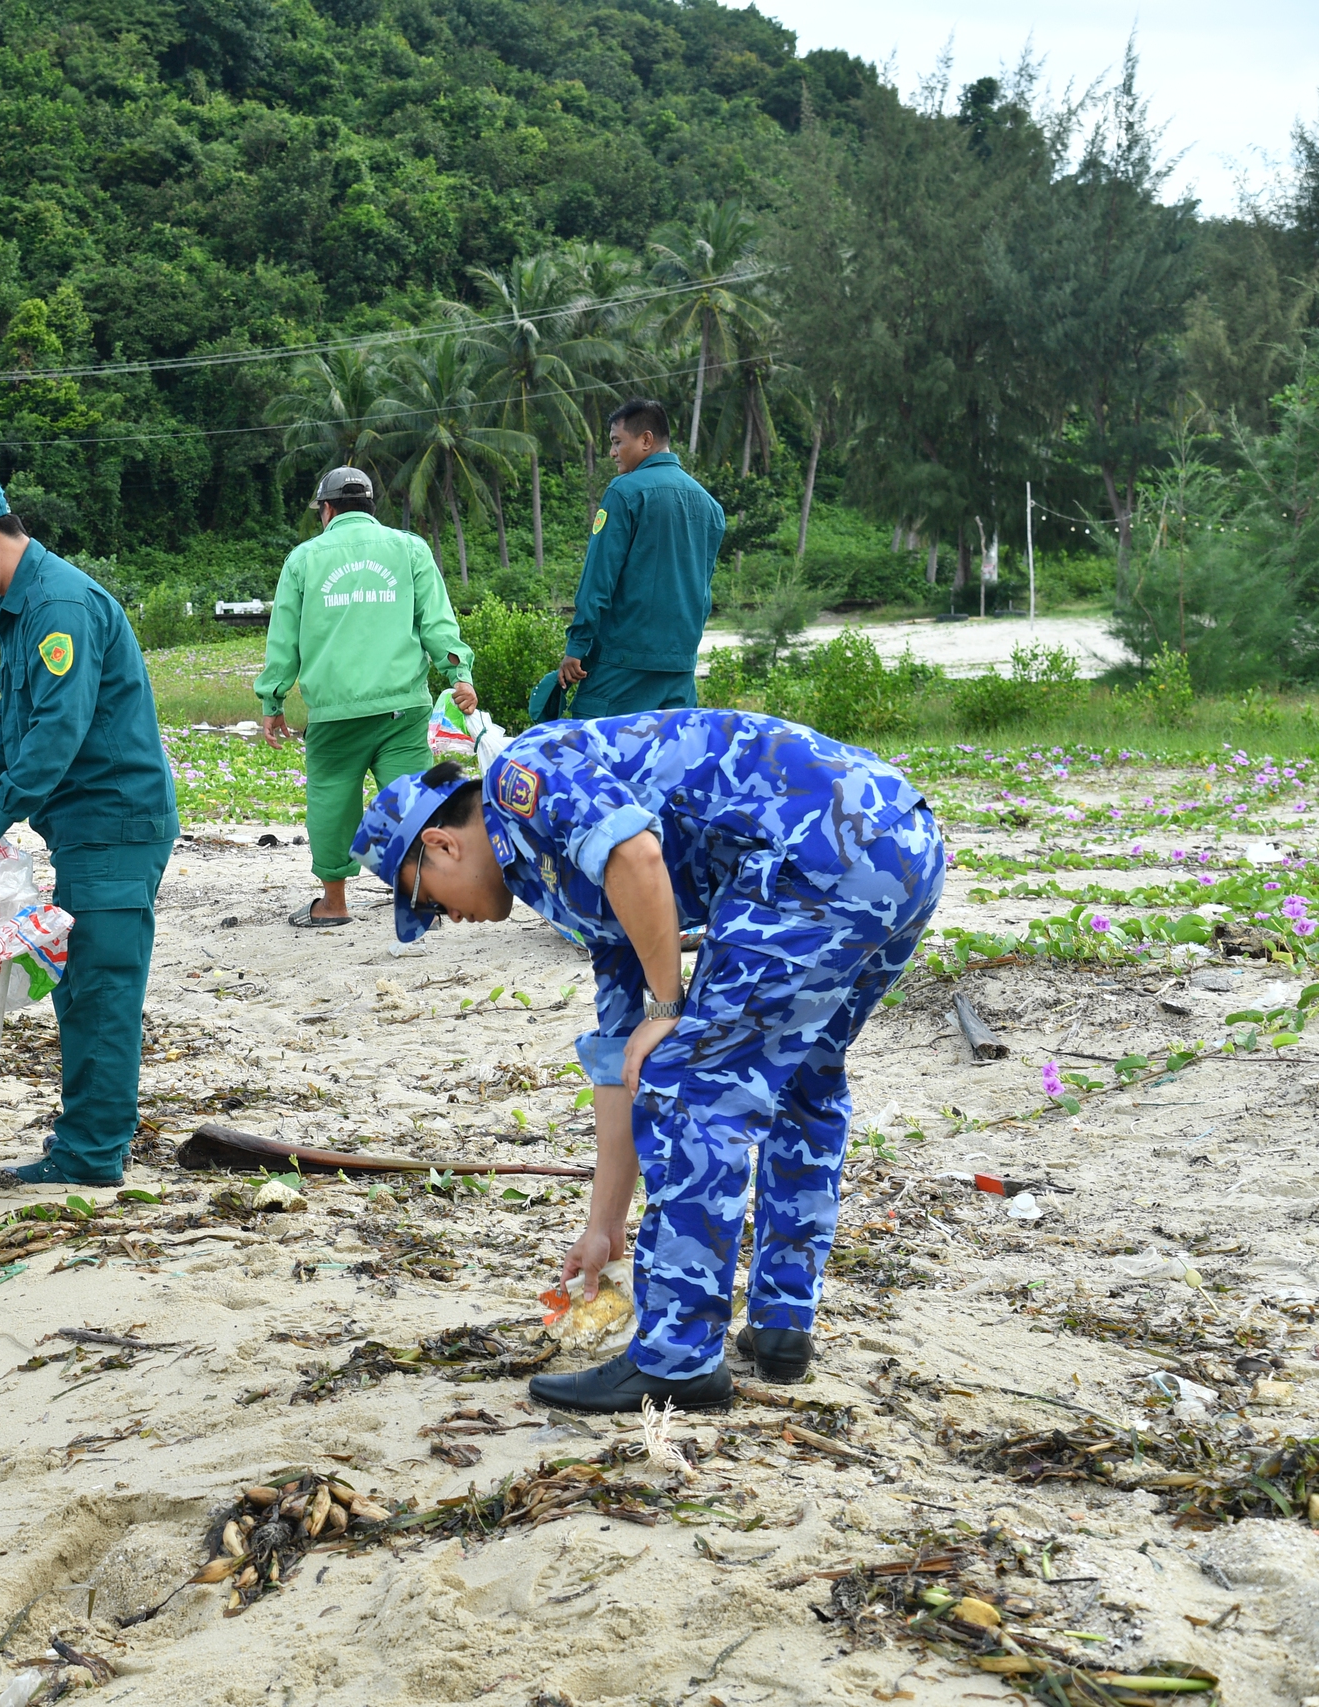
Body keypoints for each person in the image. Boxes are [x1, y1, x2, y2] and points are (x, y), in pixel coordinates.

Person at [348, 710, 943, 1412]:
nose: (445, 920)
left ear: (441, 844)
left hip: (818, 854)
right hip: (898, 844)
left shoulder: (519, 778)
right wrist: (604, 1223)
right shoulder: (561, 877)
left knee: (691, 1087)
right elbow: (616, 1058)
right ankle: (782, 1329)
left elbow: (638, 855)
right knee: (800, 1079)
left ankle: (678, 1357)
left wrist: (669, 1007)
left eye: (426, 903)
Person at [0, 469, 176, 1189]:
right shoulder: (24, 612)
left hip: (115, 821)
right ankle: (89, 1139)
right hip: (85, 824)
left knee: (100, 986)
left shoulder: (59, 605)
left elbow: (59, 731)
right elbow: (7, 735)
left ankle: (91, 1154)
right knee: (82, 982)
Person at [257, 465, 479, 928]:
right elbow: (436, 622)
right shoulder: (409, 548)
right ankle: (424, 900)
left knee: (333, 803)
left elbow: (284, 642)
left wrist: (273, 700)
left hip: (336, 713)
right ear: (370, 508)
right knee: (413, 801)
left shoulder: (303, 560)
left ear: (327, 509)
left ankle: (335, 904)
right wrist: (459, 673)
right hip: (403, 707)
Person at [544, 399, 728, 723]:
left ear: (645, 440)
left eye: (617, 442)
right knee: (672, 763)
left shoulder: (625, 492)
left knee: (597, 759)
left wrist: (576, 647)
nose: (612, 452)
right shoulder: (710, 506)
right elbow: (702, 592)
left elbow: (598, 581)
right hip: (680, 669)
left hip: (622, 667)